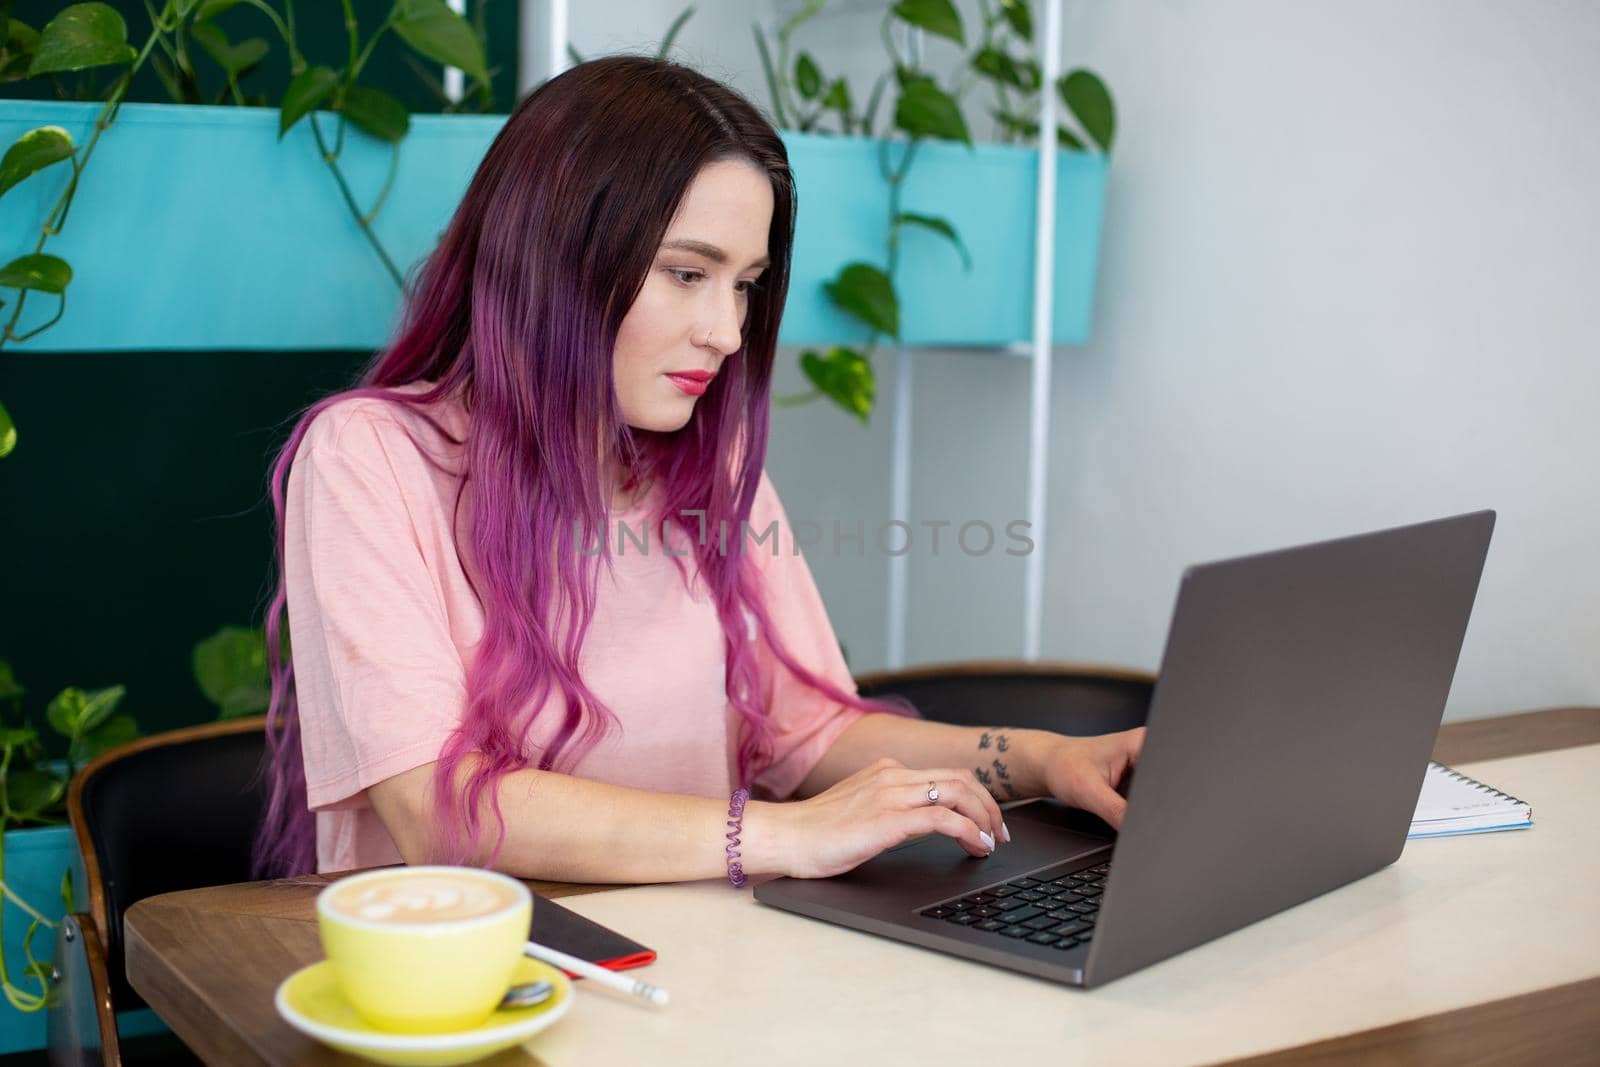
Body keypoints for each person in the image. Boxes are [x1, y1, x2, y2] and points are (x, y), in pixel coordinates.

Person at [254, 55, 1144, 883]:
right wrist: (783, 832)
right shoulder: (366, 459)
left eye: (746, 284)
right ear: (558, 258)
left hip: (699, 968)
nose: (726, 330)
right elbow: (435, 810)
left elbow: (810, 729)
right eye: (688, 273)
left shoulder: (708, 462)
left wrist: (1046, 760)